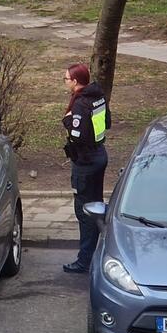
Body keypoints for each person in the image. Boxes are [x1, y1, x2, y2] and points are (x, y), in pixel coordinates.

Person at [61, 63, 110, 274]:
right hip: (99, 156)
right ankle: (100, 252)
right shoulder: (98, 96)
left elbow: (77, 136)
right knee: (96, 208)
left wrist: (68, 121)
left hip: (86, 162)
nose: (65, 82)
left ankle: (84, 261)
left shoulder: (80, 104)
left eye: (66, 79)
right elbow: (107, 123)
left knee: (85, 212)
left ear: (74, 81)